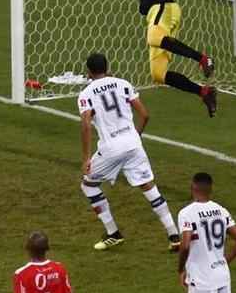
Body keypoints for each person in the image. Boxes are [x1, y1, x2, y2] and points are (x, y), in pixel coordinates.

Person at [77, 52, 180, 252]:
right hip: (133, 143)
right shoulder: (123, 84)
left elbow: (86, 126)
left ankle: (113, 233)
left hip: (110, 148)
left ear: (88, 71)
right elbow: (145, 114)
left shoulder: (86, 94)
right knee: (149, 187)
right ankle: (174, 235)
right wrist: (136, 136)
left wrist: (86, 157)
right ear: (107, 67)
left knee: (89, 185)